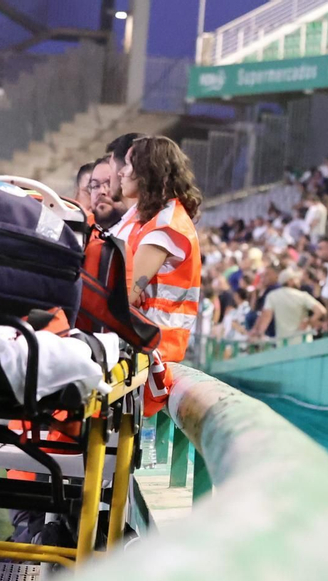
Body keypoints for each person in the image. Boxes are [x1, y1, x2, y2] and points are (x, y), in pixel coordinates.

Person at [118, 135, 203, 415]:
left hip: (152, 346)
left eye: (128, 165)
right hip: (134, 336)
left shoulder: (167, 225)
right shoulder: (140, 214)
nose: (121, 171)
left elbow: (124, 293)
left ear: (147, 172)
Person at [252, 270, 328, 340]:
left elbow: (266, 316)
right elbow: (321, 311)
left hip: (283, 343)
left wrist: (259, 333)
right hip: (303, 341)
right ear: (290, 281)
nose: (298, 281)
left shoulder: (272, 296)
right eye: (296, 279)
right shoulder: (302, 295)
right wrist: (308, 322)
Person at [87, 157, 123, 229]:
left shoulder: (141, 234)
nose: (101, 191)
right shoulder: (83, 235)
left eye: (109, 184)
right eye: (95, 186)